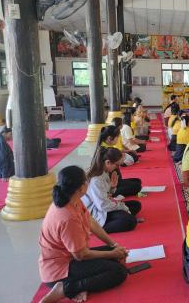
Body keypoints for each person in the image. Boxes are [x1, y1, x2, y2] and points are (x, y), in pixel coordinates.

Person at [38, 166, 127, 303]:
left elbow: (90, 221)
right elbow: (81, 255)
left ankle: (83, 282)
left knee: (114, 255)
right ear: (80, 188)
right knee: (119, 272)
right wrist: (113, 253)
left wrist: (113, 245)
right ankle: (66, 288)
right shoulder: (67, 217)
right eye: (86, 181)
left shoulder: (73, 199)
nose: (88, 183)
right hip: (60, 270)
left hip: (71, 258)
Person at [82, 147, 141, 233]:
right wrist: (121, 206)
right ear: (108, 162)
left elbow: (107, 195)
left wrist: (113, 187)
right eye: (117, 165)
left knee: (136, 205)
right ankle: (95, 229)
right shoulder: (96, 180)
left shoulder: (104, 171)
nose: (118, 167)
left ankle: (119, 216)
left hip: (102, 207)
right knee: (130, 221)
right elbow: (102, 206)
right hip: (95, 212)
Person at [96, 126, 141, 197]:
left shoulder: (105, 148)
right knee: (137, 186)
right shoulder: (105, 151)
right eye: (118, 137)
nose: (118, 139)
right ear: (109, 138)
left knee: (137, 181)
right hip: (110, 183)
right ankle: (113, 193)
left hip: (115, 180)